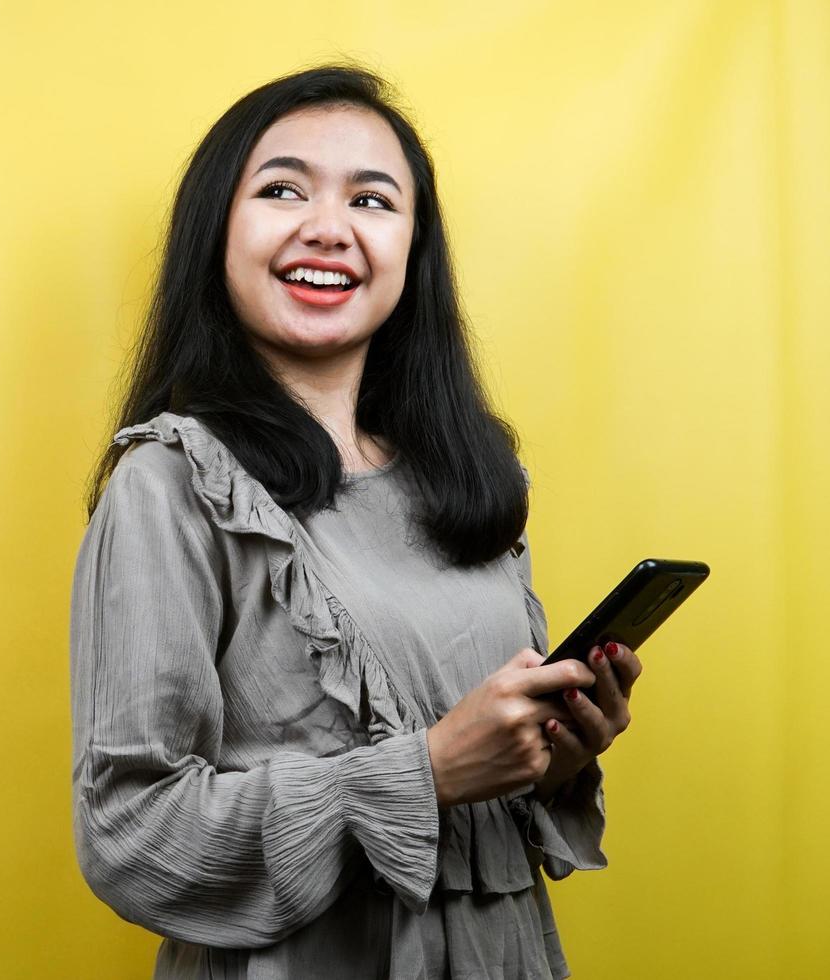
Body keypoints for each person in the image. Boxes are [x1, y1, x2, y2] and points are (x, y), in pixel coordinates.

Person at [68, 64, 643, 979]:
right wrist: (425, 773)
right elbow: (131, 835)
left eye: (372, 200)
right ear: (216, 232)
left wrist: (551, 751)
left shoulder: (473, 479)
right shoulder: (170, 483)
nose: (327, 228)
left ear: (414, 251)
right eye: (282, 190)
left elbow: (484, 792)